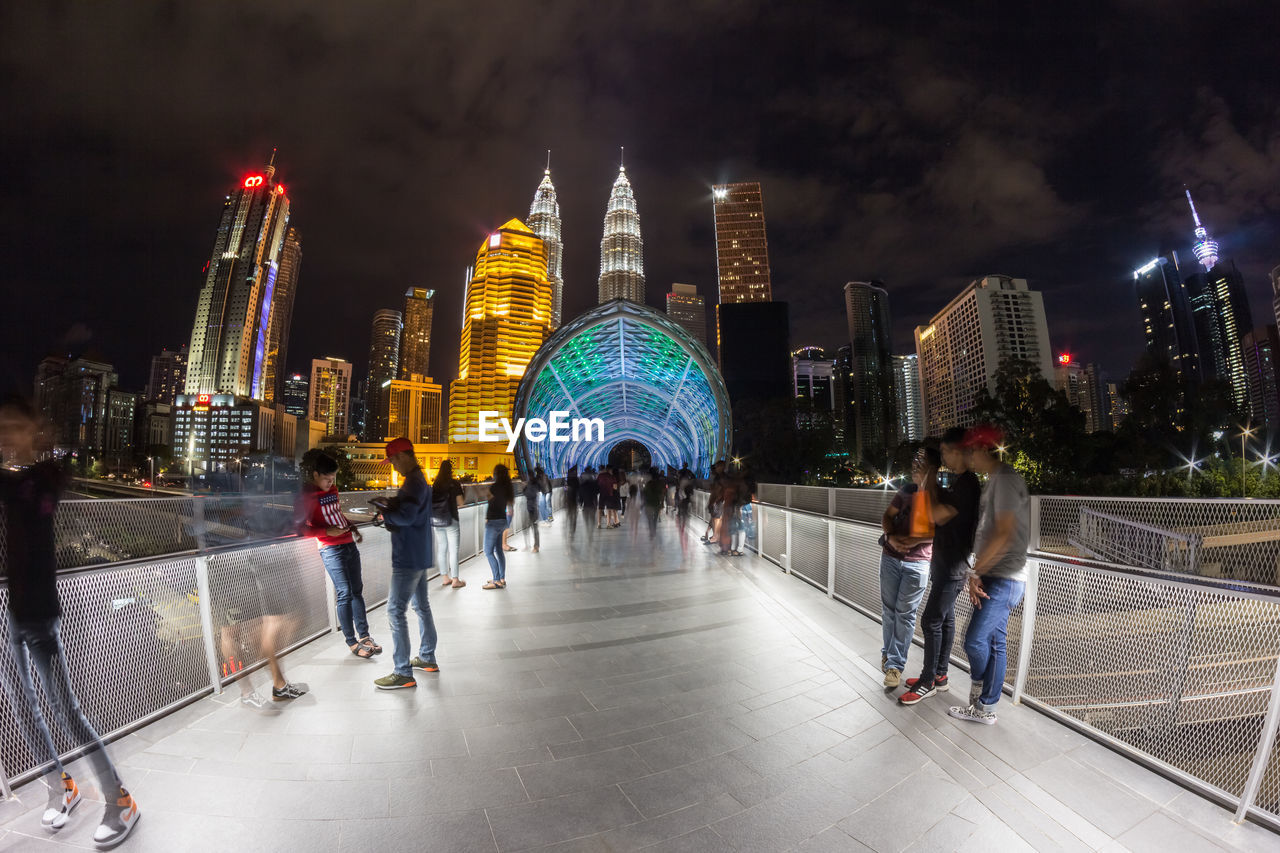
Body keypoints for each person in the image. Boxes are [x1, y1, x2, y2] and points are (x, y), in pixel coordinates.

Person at [0, 395, 141, 848]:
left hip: (40, 613)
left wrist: (37, 441)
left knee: (67, 713)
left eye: (14, 426)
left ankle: (120, 800)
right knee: (25, 712)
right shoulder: (11, 481)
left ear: (35, 431)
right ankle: (62, 788)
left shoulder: (44, 478)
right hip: (12, 614)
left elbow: (49, 477)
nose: (5, 435)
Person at [948, 425, 1030, 725]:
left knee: (973, 641)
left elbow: (1005, 533)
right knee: (995, 643)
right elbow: (991, 532)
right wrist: (978, 572)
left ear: (983, 450)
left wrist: (974, 572)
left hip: (1005, 577)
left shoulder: (1005, 479)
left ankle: (982, 695)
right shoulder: (995, 480)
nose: (969, 457)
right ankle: (985, 708)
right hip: (996, 574)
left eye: (971, 451)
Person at [900, 430, 981, 705]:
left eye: (946, 451)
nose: (943, 456)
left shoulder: (968, 484)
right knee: (944, 620)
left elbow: (936, 514)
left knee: (930, 620)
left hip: (953, 567)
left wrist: (928, 478)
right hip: (945, 563)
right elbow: (930, 518)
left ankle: (927, 682)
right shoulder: (959, 484)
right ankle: (940, 676)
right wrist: (926, 483)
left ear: (959, 452)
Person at [297, 451, 381, 658]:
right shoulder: (306, 496)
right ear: (315, 474)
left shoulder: (332, 489)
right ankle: (352, 643)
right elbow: (301, 528)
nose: (330, 482)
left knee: (357, 590)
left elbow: (336, 513)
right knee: (344, 592)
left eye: (333, 478)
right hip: (330, 548)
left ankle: (365, 636)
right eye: (326, 478)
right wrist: (326, 532)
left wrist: (353, 527)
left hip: (348, 543)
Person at [371, 437, 439, 690]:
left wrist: (386, 509)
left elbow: (406, 517)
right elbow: (413, 513)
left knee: (395, 611)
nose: (393, 467)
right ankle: (427, 657)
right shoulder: (420, 480)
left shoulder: (412, 483)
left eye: (393, 461)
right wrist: (392, 505)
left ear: (402, 457)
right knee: (421, 606)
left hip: (408, 557)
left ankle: (402, 671)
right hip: (420, 552)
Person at [878, 447, 938, 689]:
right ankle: (888, 652)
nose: (915, 465)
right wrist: (891, 537)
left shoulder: (939, 496)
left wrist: (911, 542)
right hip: (890, 558)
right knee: (889, 610)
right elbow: (887, 516)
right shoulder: (906, 491)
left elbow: (937, 531)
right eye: (914, 461)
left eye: (920, 462)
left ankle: (895, 665)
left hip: (918, 563)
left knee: (905, 614)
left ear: (932, 467)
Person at [432, 460, 466, 589]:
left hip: (437, 520)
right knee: (453, 550)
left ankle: (445, 578)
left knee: (442, 548)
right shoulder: (454, 483)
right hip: (451, 518)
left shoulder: (436, 483)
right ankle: (456, 579)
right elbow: (461, 502)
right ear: (451, 470)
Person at [483, 464, 515, 589]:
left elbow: (492, 503)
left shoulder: (494, 487)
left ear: (496, 474)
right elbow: (506, 503)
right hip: (502, 521)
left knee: (488, 551)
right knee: (499, 551)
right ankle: (501, 578)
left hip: (493, 522)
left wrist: (486, 493)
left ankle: (496, 580)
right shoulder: (507, 488)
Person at [642, 466, 665, 537]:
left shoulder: (647, 484)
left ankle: (651, 531)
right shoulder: (659, 484)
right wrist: (662, 503)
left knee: (649, 518)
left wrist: (643, 503)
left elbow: (644, 493)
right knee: (655, 518)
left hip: (648, 503)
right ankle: (653, 530)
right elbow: (661, 494)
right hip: (656, 502)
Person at [522, 473, 542, 553]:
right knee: (527, 527)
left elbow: (530, 494)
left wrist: (525, 487)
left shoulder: (534, 485)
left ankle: (536, 546)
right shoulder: (531, 484)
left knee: (534, 528)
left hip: (533, 509)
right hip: (530, 508)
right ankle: (528, 545)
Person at [564, 466, 580, 536]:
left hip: (569, 501)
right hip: (574, 501)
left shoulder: (567, 481)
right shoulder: (576, 481)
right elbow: (579, 491)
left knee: (570, 516)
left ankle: (569, 530)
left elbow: (565, 491)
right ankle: (572, 530)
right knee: (573, 517)